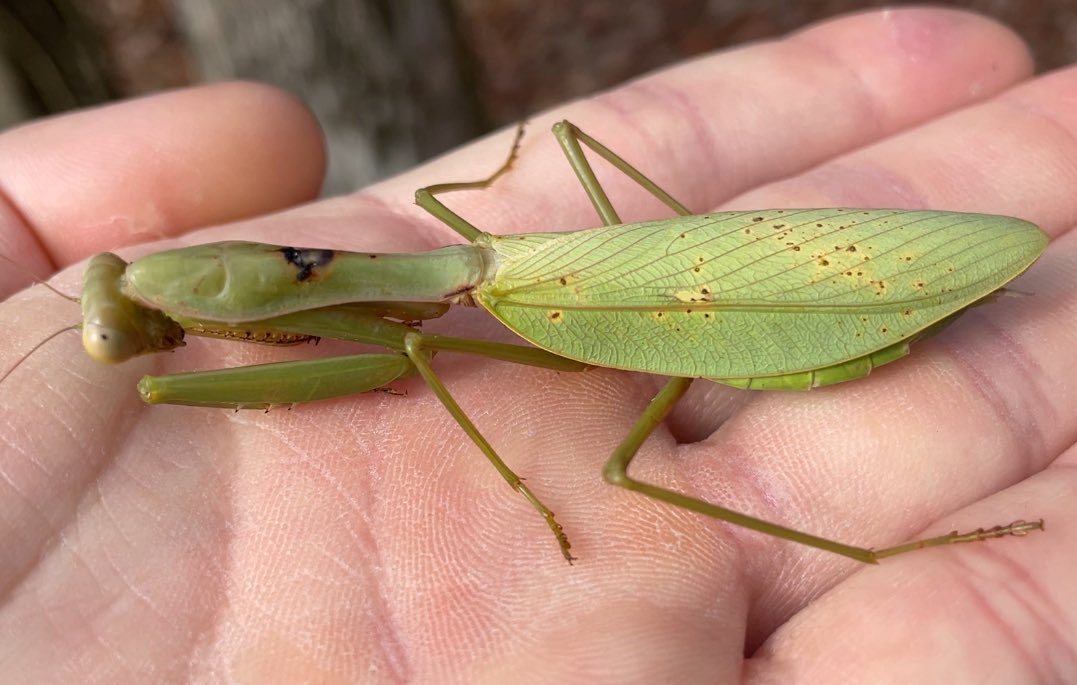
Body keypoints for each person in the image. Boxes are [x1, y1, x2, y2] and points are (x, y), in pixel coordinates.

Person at [0, 8, 1072, 682]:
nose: (144, 339)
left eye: (136, 320)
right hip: (562, 279)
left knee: (618, 471)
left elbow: (394, 351)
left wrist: (526, 476)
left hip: (679, 301)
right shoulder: (383, 287)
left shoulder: (423, 335)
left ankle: (885, 554)